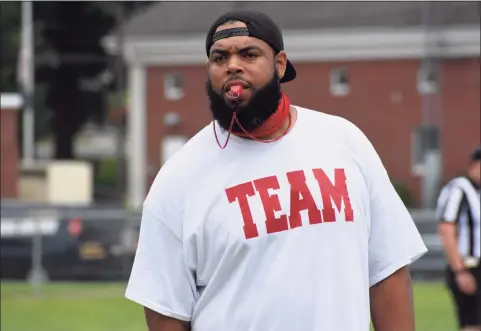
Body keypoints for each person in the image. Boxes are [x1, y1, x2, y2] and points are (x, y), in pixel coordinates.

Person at [125, 9, 428, 331]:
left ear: (279, 64)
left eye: (249, 54)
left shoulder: (343, 141)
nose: (232, 66)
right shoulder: (178, 178)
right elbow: (165, 312)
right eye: (219, 58)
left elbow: (388, 272)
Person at [437, 145, 481, 331]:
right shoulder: (460, 189)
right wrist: (459, 270)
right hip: (468, 265)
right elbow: (446, 229)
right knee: (472, 324)